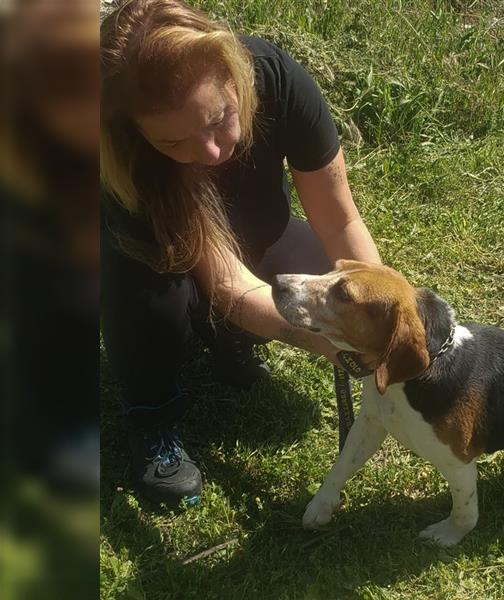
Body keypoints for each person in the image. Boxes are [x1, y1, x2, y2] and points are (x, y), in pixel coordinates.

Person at [100, 0, 380, 506]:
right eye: (174, 141)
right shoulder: (126, 159)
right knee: (155, 305)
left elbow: (340, 221)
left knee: (328, 282)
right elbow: (229, 283)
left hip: (255, 231)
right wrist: (333, 343)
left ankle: (229, 342)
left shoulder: (277, 78)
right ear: (138, 133)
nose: (211, 153)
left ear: (234, 75)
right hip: (156, 259)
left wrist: (380, 312)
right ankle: (152, 412)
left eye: (220, 118)